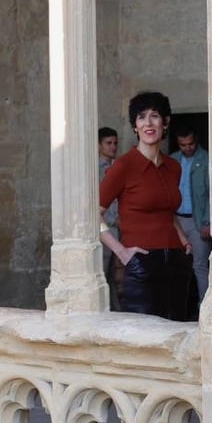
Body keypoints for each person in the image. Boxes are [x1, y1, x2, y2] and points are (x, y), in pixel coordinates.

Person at [99, 91, 193, 321]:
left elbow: (167, 210)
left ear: (166, 122)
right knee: (145, 338)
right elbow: (92, 215)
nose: (148, 123)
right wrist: (121, 251)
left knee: (178, 332)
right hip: (141, 263)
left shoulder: (173, 166)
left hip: (177, 262)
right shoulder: (123, 166)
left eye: (154, 116)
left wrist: (182, 239)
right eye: (141, 117)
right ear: (135, 126)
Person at [171, 123, 212, 309]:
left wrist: (208, 221)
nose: (187, 148)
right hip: (175, 220)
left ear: (196, 141)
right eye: (183, 145)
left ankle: (204, 308)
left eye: (190, 144)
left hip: (197, 221)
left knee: (200, 266)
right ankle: (178, 308)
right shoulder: (172, 160)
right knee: (176, 265)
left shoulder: (207, 159)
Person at [98, 127, 121, 310]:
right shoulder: (94, 170)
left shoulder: (118, 167)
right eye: (108, 143)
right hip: (104, 227)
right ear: (99, 145)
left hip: (118, 227)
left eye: (115, 143)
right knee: (102, 274)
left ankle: (115, 310)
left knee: (115, 275)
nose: (113, 147)